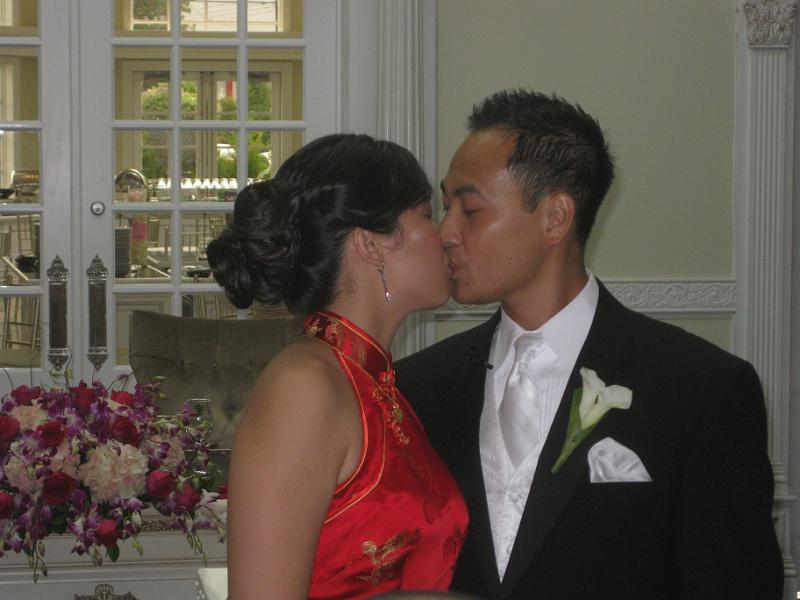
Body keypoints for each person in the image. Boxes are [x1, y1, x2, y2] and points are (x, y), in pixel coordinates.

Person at [395, 89, 783, 599]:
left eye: (469, 209)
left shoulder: (700, 390)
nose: (445, 232)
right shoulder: (417, 387)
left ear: (555, 217)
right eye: (446, 207)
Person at [207, 134, 468, 600]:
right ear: (370, 243)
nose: (447, 233)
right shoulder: (304, 387)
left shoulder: (374, 383)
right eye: (428, 214)